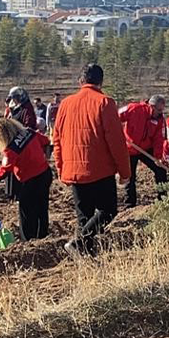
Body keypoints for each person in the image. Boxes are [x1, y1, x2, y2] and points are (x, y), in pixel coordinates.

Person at [51, 63, 131, 257]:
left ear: (81, 81)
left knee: (84, 217)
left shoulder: (66, 104)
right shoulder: (105, 102)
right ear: (101, 82)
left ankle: (86, 257)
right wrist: (125, 172)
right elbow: (117, 141)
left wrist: (61, 168)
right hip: (99, 170)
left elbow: (57, 139)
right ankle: (79, 244)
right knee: (108, 211)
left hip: (74, 171)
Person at [0, 118, 52, 241]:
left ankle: (28, 238)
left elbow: (5, 169)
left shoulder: (11, 149)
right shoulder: (29, 133)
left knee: (26, 210)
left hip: (31, 180)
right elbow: (46, 141)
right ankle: (43, 234)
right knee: (42, 206)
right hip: (45, 173)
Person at [119, 95, 169, 208]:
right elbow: (114, 116)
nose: (161, 112)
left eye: (162, 110)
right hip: (130, 148)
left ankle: (163, 199)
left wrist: (158, 156)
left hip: (146, 148)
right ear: (151, 106)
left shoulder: (160, 119)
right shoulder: (134, 109)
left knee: (160, 169)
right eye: (159, 110)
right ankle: (130, 204)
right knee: (130, 176)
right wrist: (114, 129)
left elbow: (159, 139)